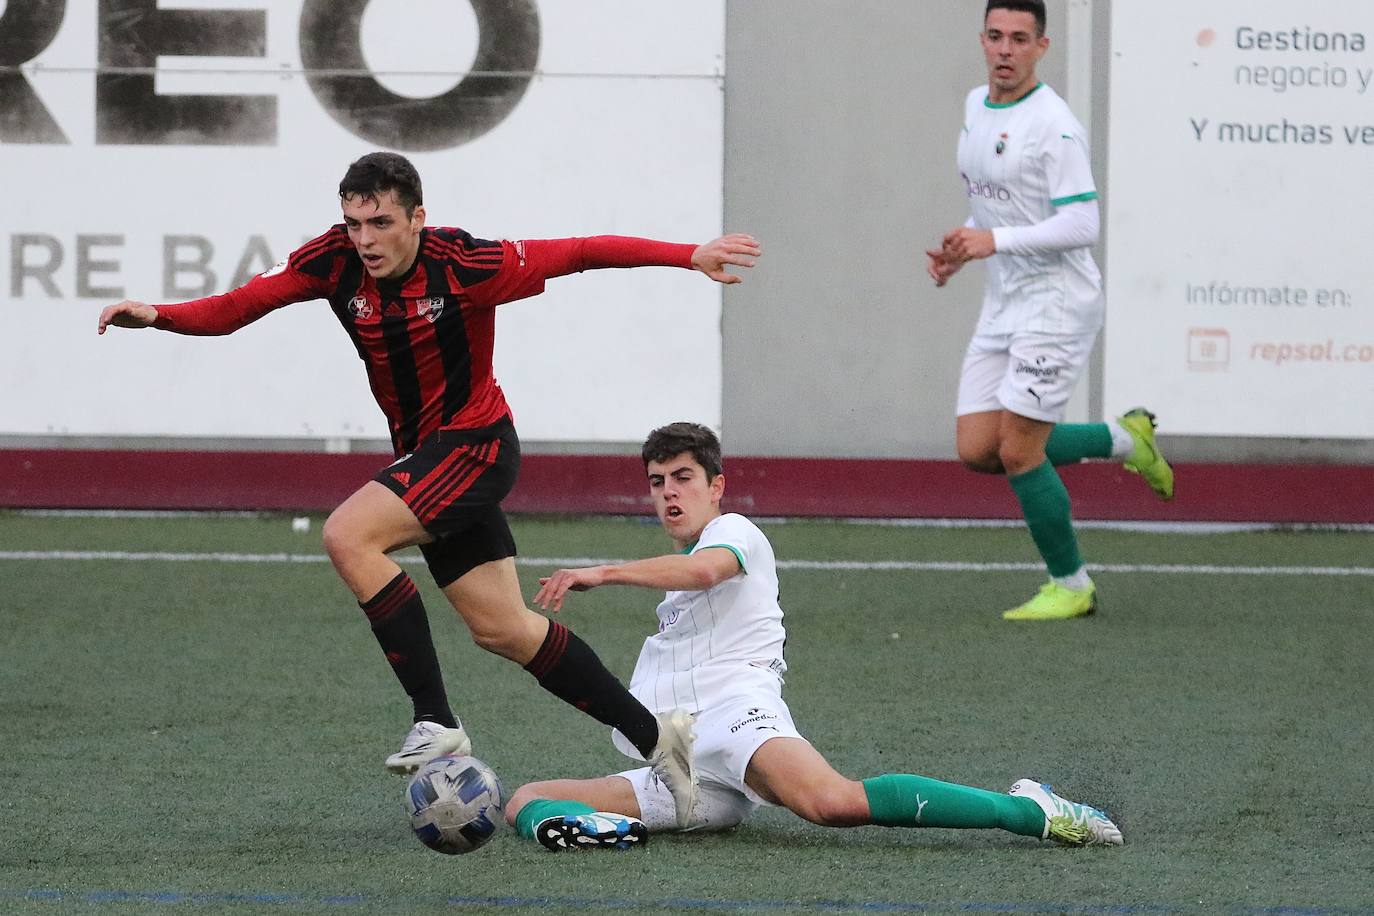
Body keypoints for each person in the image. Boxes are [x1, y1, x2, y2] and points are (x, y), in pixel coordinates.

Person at [97, 151, 761, 826]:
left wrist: (688, 255)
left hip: (476, 446)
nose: (364, 238)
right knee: (504, 629)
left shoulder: (466, 263)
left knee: (347, 535)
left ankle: (435, 721)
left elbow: (583, 251)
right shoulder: (333, 261)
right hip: (429, 459)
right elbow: (240, 306)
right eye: (353, 221)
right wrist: (159, 314)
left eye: (380, 221)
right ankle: (659, 738)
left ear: (417, 217)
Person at [503, 422, 1122, 850]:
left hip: (735, 713)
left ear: (715, 487)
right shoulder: (678, 581)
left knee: (832, 803)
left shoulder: (736, 531)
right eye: (658, 480)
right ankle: (603, 833)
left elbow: (704, 570)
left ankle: (1031, 810)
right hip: (683, 752)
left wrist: (602, 572)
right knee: (527, 799)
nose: (669, 491)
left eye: (683, 477)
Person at [925, 0, 1174, 622]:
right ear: (982, 40)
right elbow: (996, 208)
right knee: (977, 447)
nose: (1005, 49)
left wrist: (994, 242)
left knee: (1019, 451)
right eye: (995, 36)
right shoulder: (974, 107)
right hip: (1005, 299)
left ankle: (1072, 583)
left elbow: (1082, 222)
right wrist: (963, 245)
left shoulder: (1053, 125)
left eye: (1019, 38)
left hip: (1057, 305)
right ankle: (1124, 438)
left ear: (1042, 47)